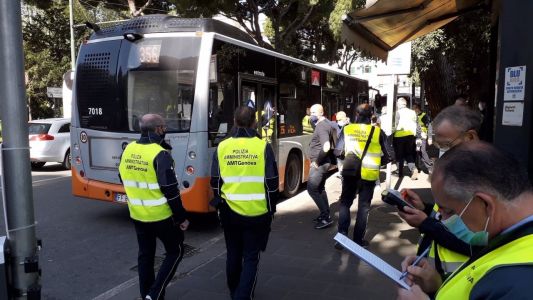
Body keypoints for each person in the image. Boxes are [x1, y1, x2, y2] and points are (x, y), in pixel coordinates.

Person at [398, 141, 533, 300]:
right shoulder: (507, 237)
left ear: (486, 205)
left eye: (449, 211)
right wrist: (438, 285)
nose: (442, 219)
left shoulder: (521, 281)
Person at [399, 105, 483, 278]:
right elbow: (446, 218)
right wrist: (424, 209)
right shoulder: (456, 170)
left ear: (470, 137)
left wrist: (425, 224)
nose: (442, 152)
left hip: (458, 279)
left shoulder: (485, 181)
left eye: (446, 144)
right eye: (439, 145)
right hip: (434, 274)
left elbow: (476, 244)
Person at [210, 106, 278, 300]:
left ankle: (234, 292)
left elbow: (215, 180)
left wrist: (219, 202)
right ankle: (243, 296)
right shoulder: (262, 146)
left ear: (234, 121)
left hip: (229, 212)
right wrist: (272, 208)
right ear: (254, 123)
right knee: (250, 257)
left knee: (232, 253)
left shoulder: (222, 146)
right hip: (257, 214)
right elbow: (272, 183)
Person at [118, 114, 189, 300]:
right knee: (176, 251)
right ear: (157, 129)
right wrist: (182, 218)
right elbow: (171, 191)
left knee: (145, 256)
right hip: (161, 216)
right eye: (164, 127)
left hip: (137, 214)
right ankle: (155, 293)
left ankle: (146, 295)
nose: (165, 130)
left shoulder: (128, 149)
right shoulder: (160, 154)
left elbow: (122, 177)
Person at [334, 104, 392, 247]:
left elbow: (337, 152)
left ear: (356, 115)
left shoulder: (347, 129)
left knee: (345, 203)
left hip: (350, 172)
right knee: (364, 207)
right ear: (371, 116)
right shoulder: (378, 132)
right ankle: (358, 241)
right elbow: (390, 155)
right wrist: (379, 162)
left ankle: (341, 240)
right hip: (369, 175)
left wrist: (348, 154)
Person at [307, 104, 336, 229]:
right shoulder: (326, 124)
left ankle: (326, 218)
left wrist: (317, 161)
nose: (311, 115)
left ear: (321, 113)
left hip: (320, 164)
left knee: (312, 188)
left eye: (314, 112)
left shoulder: (321, 126)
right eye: (310, 112)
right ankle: (325, 214)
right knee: (320, 189)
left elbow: (326, 146)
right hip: (326, 162)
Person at [393, 98, 418, 179]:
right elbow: (415, 123)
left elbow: (395, 125)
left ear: (400, 104)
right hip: (410, 135)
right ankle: (413, 169)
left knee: (399, 155)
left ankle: (399, 173)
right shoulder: (413, 112)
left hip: (399, 135)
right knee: (408, 154)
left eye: (397, 104)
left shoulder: (398, 112)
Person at [412, 103, 433, 175]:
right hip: (415, 136)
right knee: (417, 152)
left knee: (422, 151)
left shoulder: (424, 115)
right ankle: (417, 167)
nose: (413, 110)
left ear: (417, 108)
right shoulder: (414, 116)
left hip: (422, 136)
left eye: (414, 108)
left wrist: (430, 137)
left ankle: (430, 168)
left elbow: (429, 126)